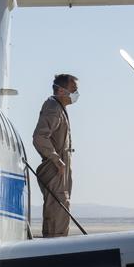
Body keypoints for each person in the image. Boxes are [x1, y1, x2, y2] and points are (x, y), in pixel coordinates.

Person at [32, 73, 77, 237]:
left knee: (61, 213)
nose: (76, 94)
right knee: (57, 217)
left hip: (59, 172)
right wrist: (56, 160)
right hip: (55, 170)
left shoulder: (59, 108)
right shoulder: (53, 107)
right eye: (73, 89)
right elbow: (39, 137)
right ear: (60, 90)